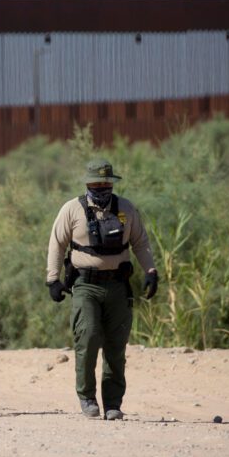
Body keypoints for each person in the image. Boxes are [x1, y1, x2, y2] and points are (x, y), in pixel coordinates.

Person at [46, 158, 158, 421]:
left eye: (105, 183)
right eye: (95, 184)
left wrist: (151, 271)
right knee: (88, 336)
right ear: (87, 183)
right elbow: (57, 244)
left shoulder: (126, 209)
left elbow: (140, 242)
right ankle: (87, 397)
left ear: (112, 183)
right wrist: (53, 279)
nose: (101, 188)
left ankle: (113, 403)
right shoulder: (71, 209)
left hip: (118, 285)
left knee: (116, 346)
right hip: (85, 285)